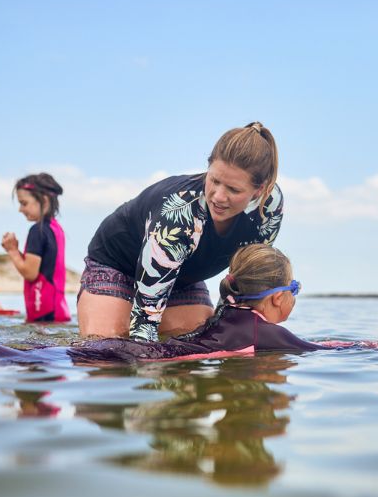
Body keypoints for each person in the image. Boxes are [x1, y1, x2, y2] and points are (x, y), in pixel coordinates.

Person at [0, 245, 378, 363]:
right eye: (295, 291)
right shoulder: (266, 335)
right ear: (279, 298)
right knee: (0, 356)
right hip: (120, 358)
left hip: (126, 350)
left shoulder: (225, 320)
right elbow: (326, 348)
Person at [78, 121, 285, 341]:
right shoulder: (179, 215)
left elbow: (244, 284)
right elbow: (144, 326)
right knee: (107, 347)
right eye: (213, 180)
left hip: (181, 276)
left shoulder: (269, 208)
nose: (218, 196)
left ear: (259, 190)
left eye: (233, 189)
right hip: (116, 264)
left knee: (199, 339)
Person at [1, 173, 71, 322]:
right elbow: (43, 268)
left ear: (44, 201)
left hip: (43, 311)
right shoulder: (55, 229)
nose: (20, 209)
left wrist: (12, 251)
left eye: (24, 203)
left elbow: (30, 273)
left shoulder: (37, 231)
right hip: (58, 309)